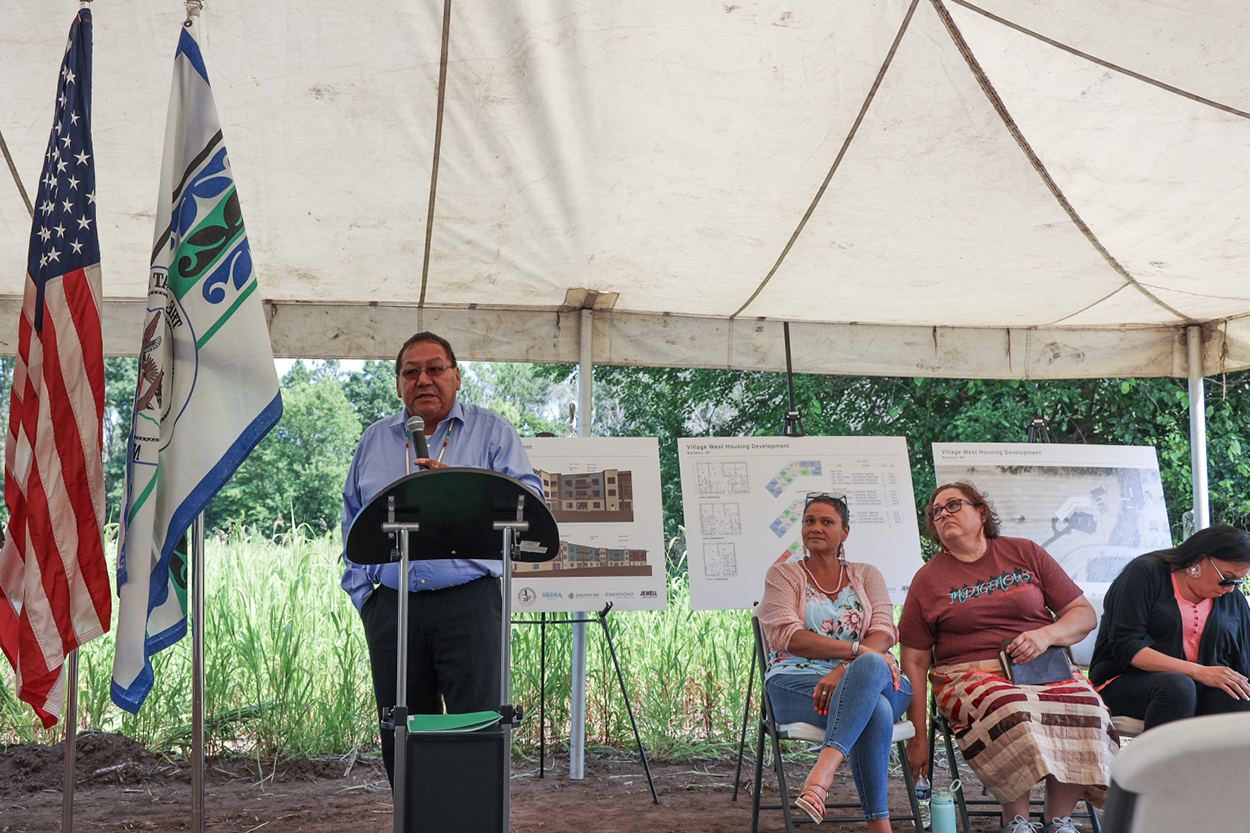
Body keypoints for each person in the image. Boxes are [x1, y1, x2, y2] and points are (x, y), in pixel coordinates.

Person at [340, 331, 544, 785]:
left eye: (435, 368)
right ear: (398, 385)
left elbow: (529, 502)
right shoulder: (374, 441)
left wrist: (464, 487)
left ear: (456, 376)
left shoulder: (493, 432)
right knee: (402, 735)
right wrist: (367, 601)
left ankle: (475, 819)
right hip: (393, 611)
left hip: (469, 606)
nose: (423, 380)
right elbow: (351, 520)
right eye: (411, 372)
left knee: (479, 729)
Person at [898, 482, 1117, 833]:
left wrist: (1046, 635)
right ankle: (1017, 822)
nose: (943, 514)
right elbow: (914, 660)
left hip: (1040, 663)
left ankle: (1058, 821)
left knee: (1087, 708)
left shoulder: (1025, 552)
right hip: (967, 673)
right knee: (1011, 708)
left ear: (981, 512)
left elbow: (1082, 615)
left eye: (953, 505)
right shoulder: (928, 580)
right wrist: (919, 736)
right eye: (935, 512)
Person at [757, 493, 912, 831]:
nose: (816, 527)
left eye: (827, 521)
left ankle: (822, 773)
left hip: (875, 679)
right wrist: (858, 653)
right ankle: (880, 826)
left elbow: (885, 631)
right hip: (799, 681)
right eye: (809, 520)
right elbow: (789, 638)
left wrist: (846, 667)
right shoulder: (783, 576)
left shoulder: (867, 574)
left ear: (845, 532)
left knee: (871, 669)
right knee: (876, 708)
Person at [1089, 524, 1250, 730]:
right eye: (1226, 578)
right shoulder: (1145, 573)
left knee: (1238, 696)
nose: (1230, 589)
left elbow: (1243, 660)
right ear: (1199, 560)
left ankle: (1215, 763)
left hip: (1196, 688)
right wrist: (1198, 671)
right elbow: (1128, 648)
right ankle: (1161, 762)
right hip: (1126, 682)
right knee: (1178, 688)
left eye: (1238, 582)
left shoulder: (1231, 598)